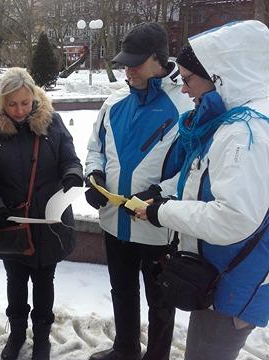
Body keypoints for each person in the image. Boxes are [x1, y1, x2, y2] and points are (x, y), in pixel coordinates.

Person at [134, 20, 269, 360]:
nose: (182, 88)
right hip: (225, 273)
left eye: (188, 78)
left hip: (234, 280)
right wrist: (163, 193)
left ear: (220, 75)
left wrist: (160, 211)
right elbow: (205, 181)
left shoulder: (245, 132)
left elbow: (233, 217)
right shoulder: (239, 120)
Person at [84, 23, 192, 360]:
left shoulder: (186, 106)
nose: (127, 69)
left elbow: (195, 168)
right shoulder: (114, 103)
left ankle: (157, 356)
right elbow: (95, 148)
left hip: (157, 225)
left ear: (160, 60)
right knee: (123, 289)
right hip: (115, 221)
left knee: (161, 299)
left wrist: (161, 192)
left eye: (135, 62)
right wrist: (94, 176)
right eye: (124, 62)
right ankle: (125, 348)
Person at [0, 67, 83, 360]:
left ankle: (42, 338)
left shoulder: (52, 122)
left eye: (24, 103)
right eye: (12, 104)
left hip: (49, 222)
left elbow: (70, 159)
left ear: (34, 98)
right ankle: (18, 333)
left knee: (45, 281)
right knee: (16, 280)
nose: (19, 110)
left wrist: (72, 175)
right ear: (1, 102)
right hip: (12, 223)